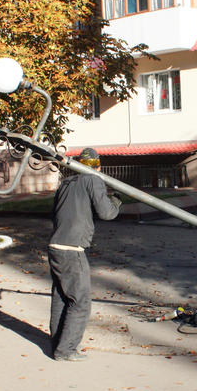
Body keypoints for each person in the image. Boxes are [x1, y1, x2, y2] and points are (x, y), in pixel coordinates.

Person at [48, 148, 121, 361]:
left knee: (61, 298)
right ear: (98, 165)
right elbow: (107, 213)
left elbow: (55, 212)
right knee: (80, 302)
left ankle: (58, 344)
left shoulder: (65, 183)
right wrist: (116, 200)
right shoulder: (93, 180)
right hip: (72, 249)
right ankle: (66, 350)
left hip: (55, 245)